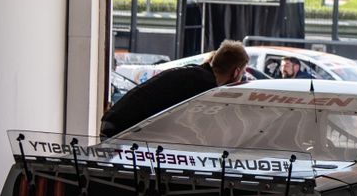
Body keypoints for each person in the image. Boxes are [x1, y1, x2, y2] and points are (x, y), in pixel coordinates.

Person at [100, 40, 250, 138]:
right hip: (122, 131)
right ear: (236, 72)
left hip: (115, 122)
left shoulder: (195, 74)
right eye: (243, 72)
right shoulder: (205, 87)